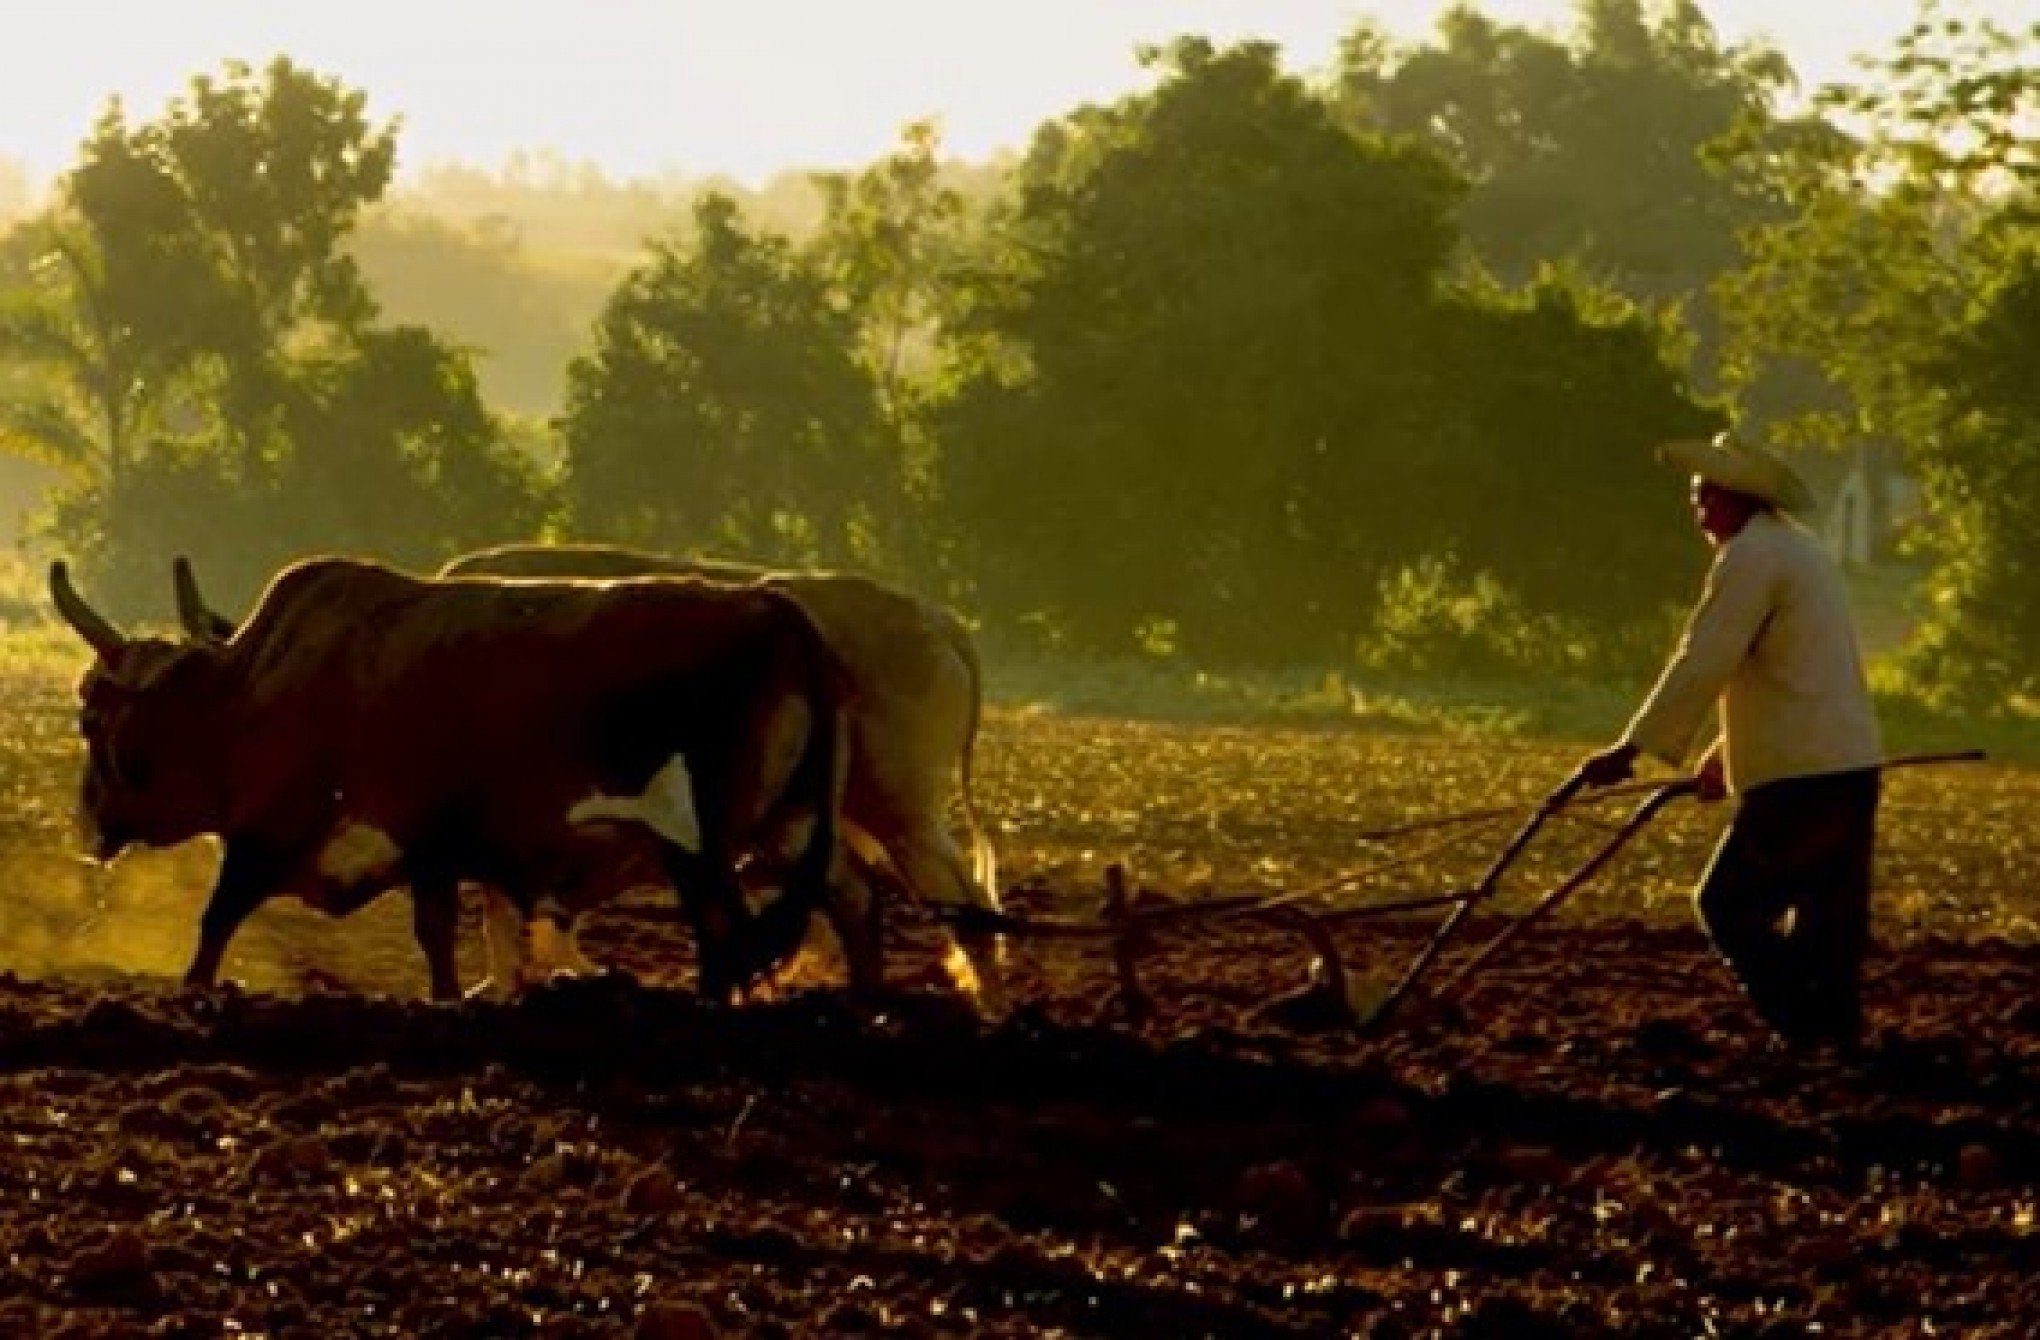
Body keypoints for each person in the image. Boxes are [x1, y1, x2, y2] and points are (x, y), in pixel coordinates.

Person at [1577, 431, 1884, 1048]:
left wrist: (1629, 750)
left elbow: (1704, 658)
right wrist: (1724, 753)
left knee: (1728, 905)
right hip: (1847, 764)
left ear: (1733, 498)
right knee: (1828, 924)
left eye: (1702, 495)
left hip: (1802, 778)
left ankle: (1805, 1028)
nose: (1696, 509)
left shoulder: (1750, 558)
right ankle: (1836, 1041)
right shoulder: (1798, 552)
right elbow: (1784, 668)